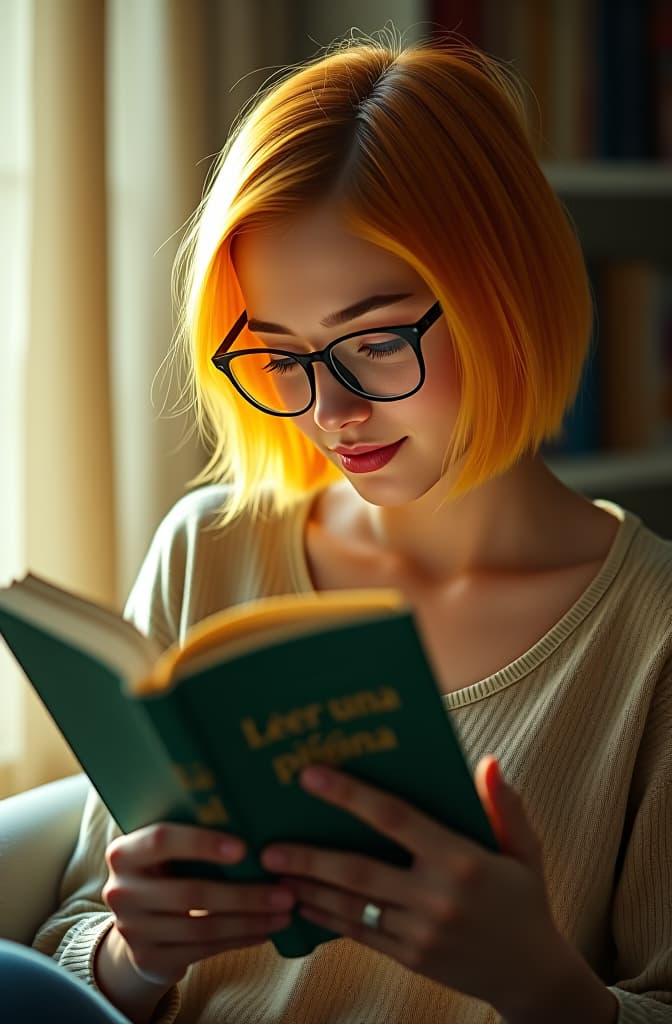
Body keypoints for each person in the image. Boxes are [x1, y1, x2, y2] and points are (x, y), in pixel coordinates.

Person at [23, 30, 672, 1024]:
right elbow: (70, 947)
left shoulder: (650, 635)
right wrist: (131, 949)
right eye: (279, 352)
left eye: (373, 341)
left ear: (511, 296)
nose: (330, 410)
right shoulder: (210, 548)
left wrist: (541, 982)